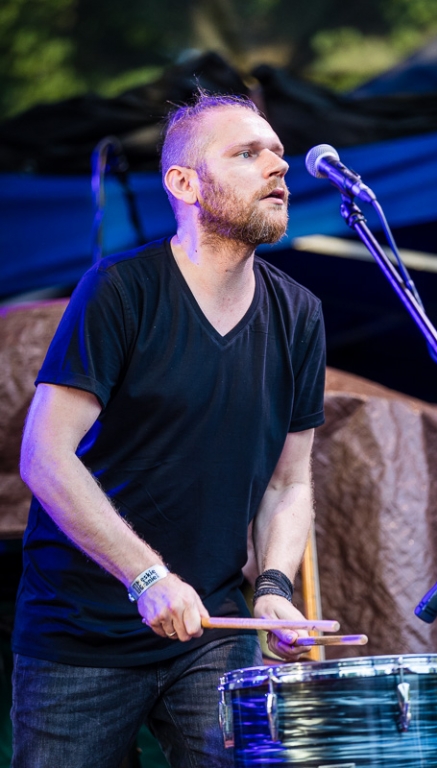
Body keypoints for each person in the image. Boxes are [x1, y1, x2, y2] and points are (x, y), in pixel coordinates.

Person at [11, 91, 326, 768]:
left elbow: (290, 482)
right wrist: (146, 576)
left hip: (213, 628)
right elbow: (44, 456)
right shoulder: (120, 290)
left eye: (277, 152)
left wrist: (274, 588)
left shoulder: (299, 314)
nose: (278, 165)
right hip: (81, 634)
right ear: (184, 183)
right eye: (247, 153)